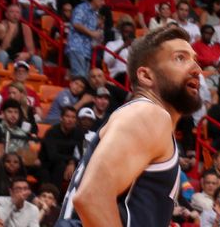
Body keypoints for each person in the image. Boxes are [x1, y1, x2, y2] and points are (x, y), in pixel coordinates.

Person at [56, 26, 202, 226]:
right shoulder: (148, 114)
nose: (196, 69)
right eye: (180, 58)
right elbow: (91, 197)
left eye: (194, 59)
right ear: (146, 76)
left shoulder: (145, 121)